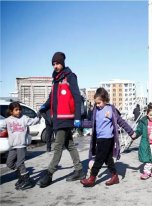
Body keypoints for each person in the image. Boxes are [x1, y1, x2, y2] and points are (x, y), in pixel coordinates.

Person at [37, 52, 85, 188]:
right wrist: (44, 106)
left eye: (57, 63)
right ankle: (79, 170)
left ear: (62, 63)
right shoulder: (56, 79)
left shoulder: (70, 76)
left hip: (66, 118)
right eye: (53, 64)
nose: (55, 66)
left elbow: (76, 97)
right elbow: (52, 97)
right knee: (69, 144)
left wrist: (77, 117)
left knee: (57, 145)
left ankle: (49, 174)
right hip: (57, 118)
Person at [80, 87, 135, 187]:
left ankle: (92, 178)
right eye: (96, 103)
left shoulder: (110, 109)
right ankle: (115, 176)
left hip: (108, 139)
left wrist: (131, 132)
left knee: (99, 159)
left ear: (105, 100)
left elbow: (121, 122)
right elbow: (92, 124)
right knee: (108, 159)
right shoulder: (96, 111)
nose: (98, 105)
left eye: (99, 103)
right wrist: (80, 124)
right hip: (99, 139)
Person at [1, 102, 41, 190]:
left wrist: (39, 116)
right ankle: (22, 175)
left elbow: (33, 121)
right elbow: (1, 125)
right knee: (9, 163)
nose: (18, 111)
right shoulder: (7, 120)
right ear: (11, 111)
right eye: (16, 110)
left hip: (21, 145)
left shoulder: (24, 118)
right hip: (13, 146)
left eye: (19, 109)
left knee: (20, 163)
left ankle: (26, 180)